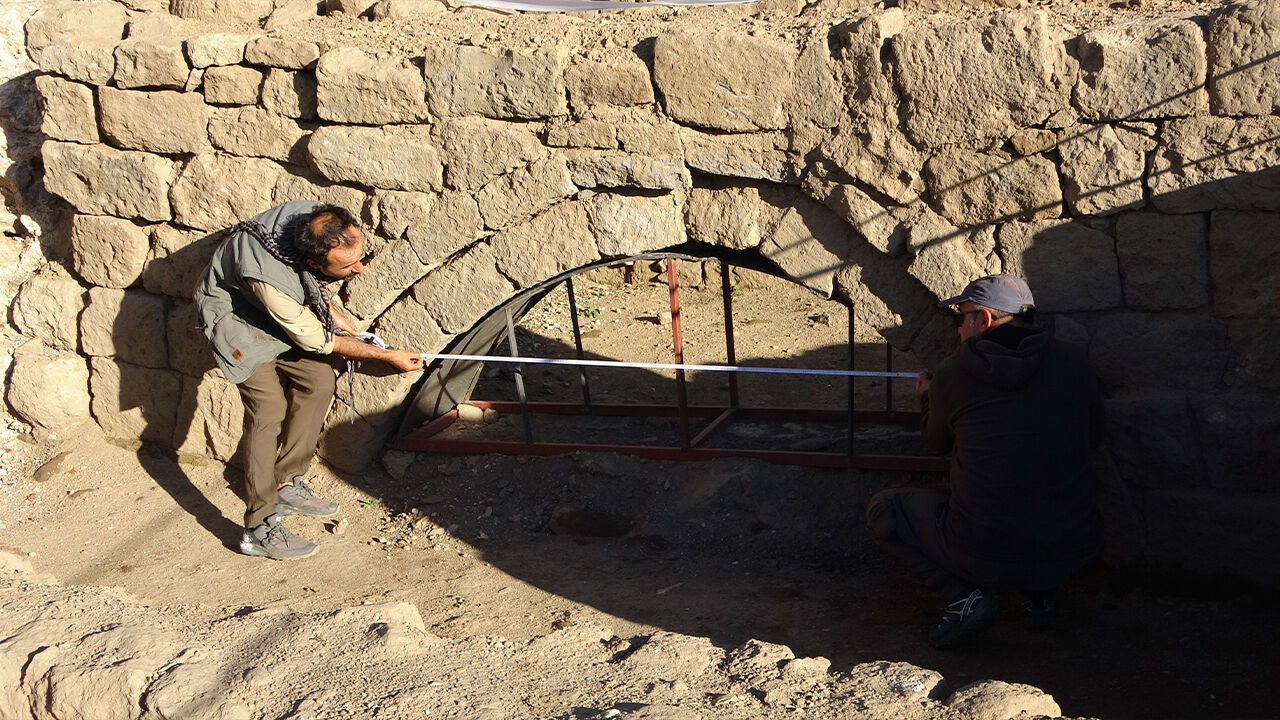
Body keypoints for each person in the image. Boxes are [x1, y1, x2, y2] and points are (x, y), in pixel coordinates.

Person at [865, 273, 1103, 648]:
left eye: (962, 318)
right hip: (1073, 547)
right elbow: (1094, 435)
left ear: (985, 320)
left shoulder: (954, 372)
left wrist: (927, 398)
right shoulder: (1075, 362)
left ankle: (964, 598)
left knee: (886, 510)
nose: (960, 329)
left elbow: (936, 442)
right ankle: (1040, 595)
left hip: (984, 550)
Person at [194, 201, 424, 561]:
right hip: (237, 321)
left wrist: (348, 325)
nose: (360, 268)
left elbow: (305, 285)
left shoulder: (310, 219)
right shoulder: (268, 279)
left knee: (318, 381)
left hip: (277, 318)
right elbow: (315, 338)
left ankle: (286, 480)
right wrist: (384, 355)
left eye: (360, 256)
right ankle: (259, 526)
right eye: (348, 266)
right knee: (268, 410)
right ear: (316, 261)